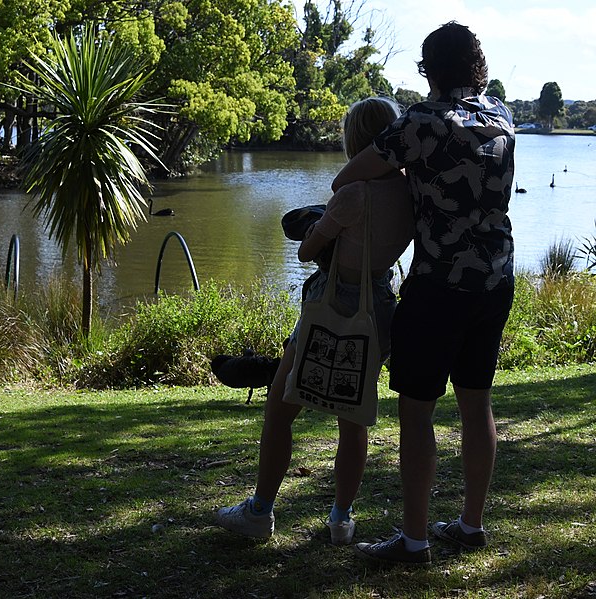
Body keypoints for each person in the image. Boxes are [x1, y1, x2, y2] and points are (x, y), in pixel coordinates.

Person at [331, 22, 515, 565]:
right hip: (495, 281)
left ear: (428, 70)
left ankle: (414, 542)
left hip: (437, 287)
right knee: (477, 401)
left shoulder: (421, 123)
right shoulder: (501, 113)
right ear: (477, 66)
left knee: (417, 414)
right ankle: (470, 524)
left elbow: (349, 177)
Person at [215, 97, 414, 545]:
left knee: (280, 410)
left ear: (356, 143)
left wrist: (319, 225)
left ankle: (260, 511)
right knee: (354, 420)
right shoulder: (409, 193)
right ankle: (341, 519)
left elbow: (307, 251)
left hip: (332, 307)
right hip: (379, 306)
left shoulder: (353, 194)